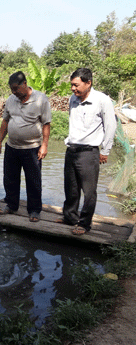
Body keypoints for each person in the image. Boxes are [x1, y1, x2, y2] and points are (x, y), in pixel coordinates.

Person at [58, 68, 117, 235]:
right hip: (71, 150)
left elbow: (110, 126)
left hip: (89, 152)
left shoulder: (102, 100)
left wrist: (105, 150)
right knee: (71, 187)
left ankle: (84, 224)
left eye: (76, 85)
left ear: (88, 83)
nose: (72, 89)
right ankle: (70, 217)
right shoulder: (73, 99)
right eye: (71, 85)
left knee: (89, 191)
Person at [0, 71, 51, 222]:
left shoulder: (40, 99)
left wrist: (44, 145)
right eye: (11, 89)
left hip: (32, 148)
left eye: (16, 88)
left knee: (33, 180)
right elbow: (5, 121)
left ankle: (34, 210)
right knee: (10, 178)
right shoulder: (11, 100)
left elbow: (46, 123)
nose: (14, 92)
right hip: (12, 147)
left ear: (24, 84)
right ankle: (11, 205)